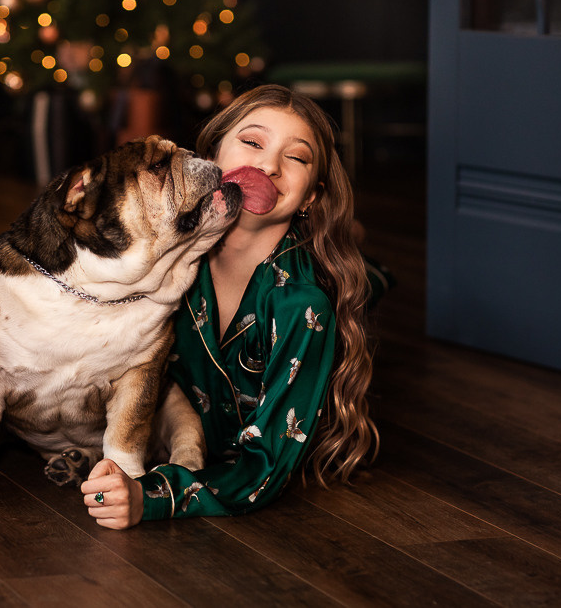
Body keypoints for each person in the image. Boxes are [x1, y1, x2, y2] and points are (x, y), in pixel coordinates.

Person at [80, 84, 379, 528]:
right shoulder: (167, 261)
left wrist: (153, 497)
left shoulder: (300, 307)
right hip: (170, 433)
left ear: (312, 196)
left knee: (368, 280)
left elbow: (266, 466)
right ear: (212, 158)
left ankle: (368, 260)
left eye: (295, 157)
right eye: (253, 142)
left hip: (225, 468)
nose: (268, 165)